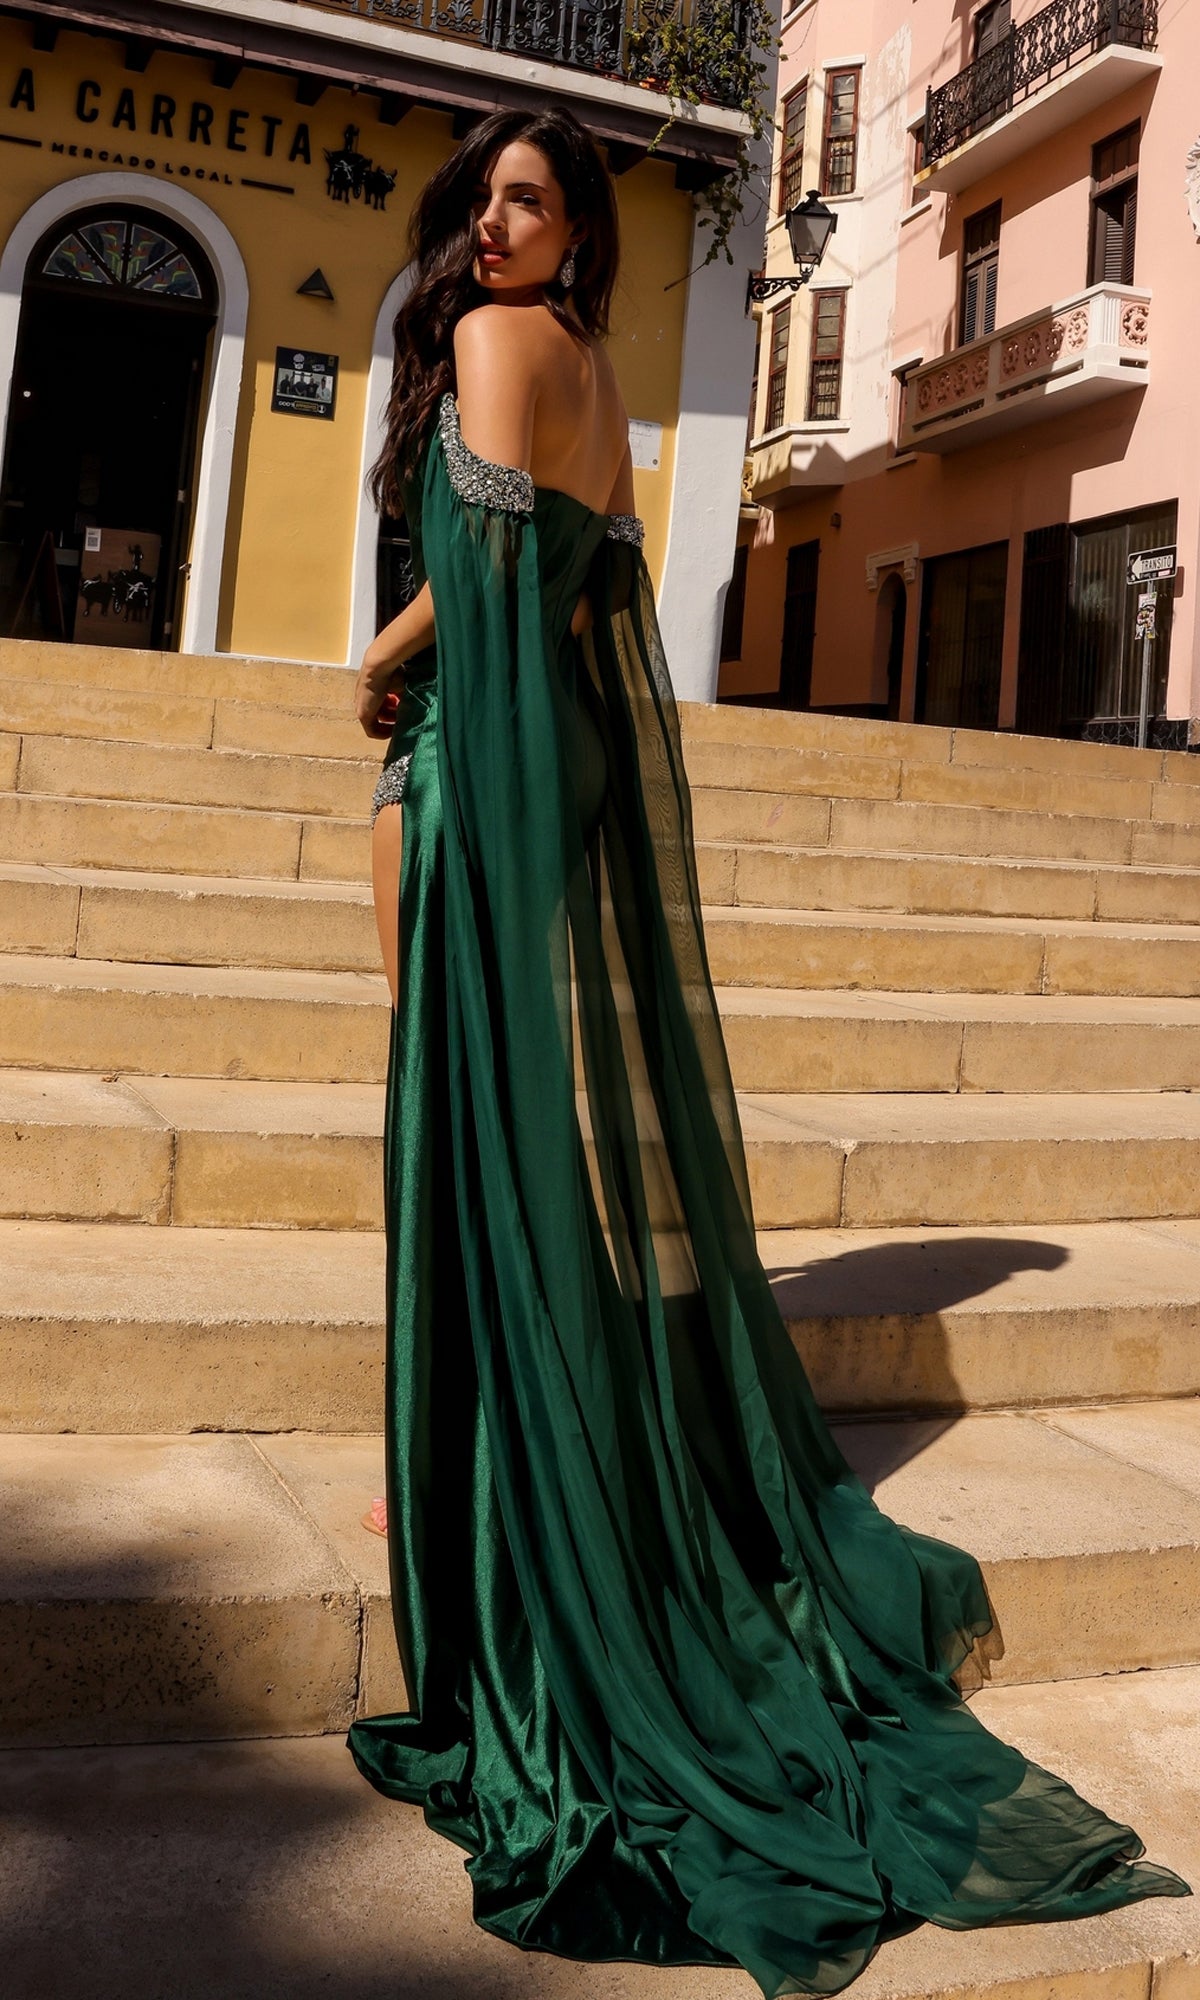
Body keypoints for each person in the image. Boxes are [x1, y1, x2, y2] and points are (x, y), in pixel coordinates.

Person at [345, 104, 1191, 1999]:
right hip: (553, 761)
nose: (495, 226)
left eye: (529, 202)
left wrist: (391, 680)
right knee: (495, 1118)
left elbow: (488, 592)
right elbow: (591, 584)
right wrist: (418, 662)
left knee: (459, 1110)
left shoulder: (486, 342)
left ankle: (502, 1499)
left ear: (577, 231)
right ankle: (504, 1450)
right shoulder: (599, 379)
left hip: (486, 763)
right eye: (484, 200)